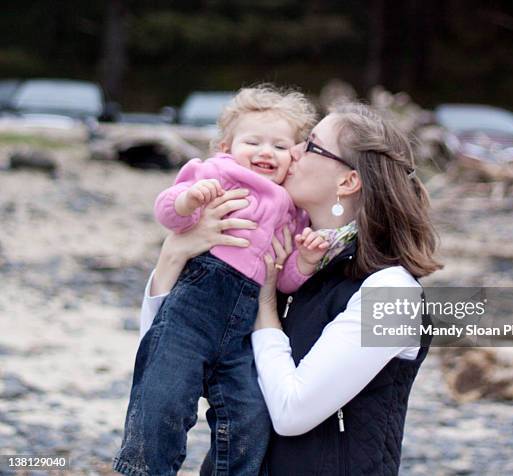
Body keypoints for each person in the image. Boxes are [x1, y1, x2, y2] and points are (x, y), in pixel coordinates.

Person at [138, 102, 443, 475]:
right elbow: (161, 354)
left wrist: (266, 303)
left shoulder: (394, 295)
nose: (290, 151)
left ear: (348, 181)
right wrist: (175, 253)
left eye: (310, 145)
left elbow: (292, 411)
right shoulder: (283, 256)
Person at [113, 85, 330, 476]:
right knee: (163, 401)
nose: (266, 152)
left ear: (294, 157)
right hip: (194, 308)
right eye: (254, 142)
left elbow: (284, 282)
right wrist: (189, 200)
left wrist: (307, 261)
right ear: (226, 146)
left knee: (249, 416)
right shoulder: (216, 174)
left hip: (246, 329)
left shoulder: (294, 211)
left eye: (280, 147)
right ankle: (144, 469)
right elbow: (168, 213)